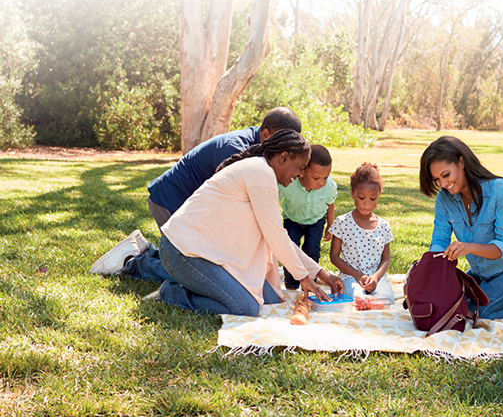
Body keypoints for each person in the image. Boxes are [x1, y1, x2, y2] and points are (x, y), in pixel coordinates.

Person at [89, 107, 302, 281]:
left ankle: (148, 253)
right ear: (266, 134)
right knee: (203, 270)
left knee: (212, 263)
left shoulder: (259, 151)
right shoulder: (236, 150)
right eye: (282, 138)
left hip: (185, 203)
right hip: (171, 201)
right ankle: (136, 263)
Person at [150, 129, 343, 316]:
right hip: (181, 251)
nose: (300, 174)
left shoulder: (263, 172)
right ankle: (171, 293)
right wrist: (304, 277)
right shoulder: (261, 173)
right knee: (245, 308)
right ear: (283, 158)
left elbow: (279, 237)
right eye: (300, 168)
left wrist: (323, 275)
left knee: (269, 299)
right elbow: (276, 236)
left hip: (208, 254)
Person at [419, 136, 503, 321]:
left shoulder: (499, 189)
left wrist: (469, 247)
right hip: (480, 275)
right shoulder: (444, 199)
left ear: (462, 162)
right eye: (437, 179)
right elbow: (439, 243)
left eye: (446, 175)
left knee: (473, 313)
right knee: (446, 307)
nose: (442, 184)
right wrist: (427, 270)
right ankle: (497, 299)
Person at [328, 163, 394, 301]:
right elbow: (334, 256)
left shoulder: (384, 226)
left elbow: (386, 259)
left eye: (373, 199)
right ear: (352, 193)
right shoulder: (342, 222)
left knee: (387, 300)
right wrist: (356, 275)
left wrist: (376, 277)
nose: (367, 203)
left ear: (379, 195)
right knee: (357, 300)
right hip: (350, 276)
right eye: (361, 197)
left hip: (376, 277)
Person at [278, 144, 338, 290]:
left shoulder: (329, 186)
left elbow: (330, 204)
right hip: (292, 220)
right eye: (316, 178)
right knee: (290, 251)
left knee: (312, 251)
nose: (322, 182)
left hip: (315, 222)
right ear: (302, 171)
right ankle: (292, 284)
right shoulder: (288, 183)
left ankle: (311, 284)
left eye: (326, 177)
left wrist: (330, 224)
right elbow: (275, 201)